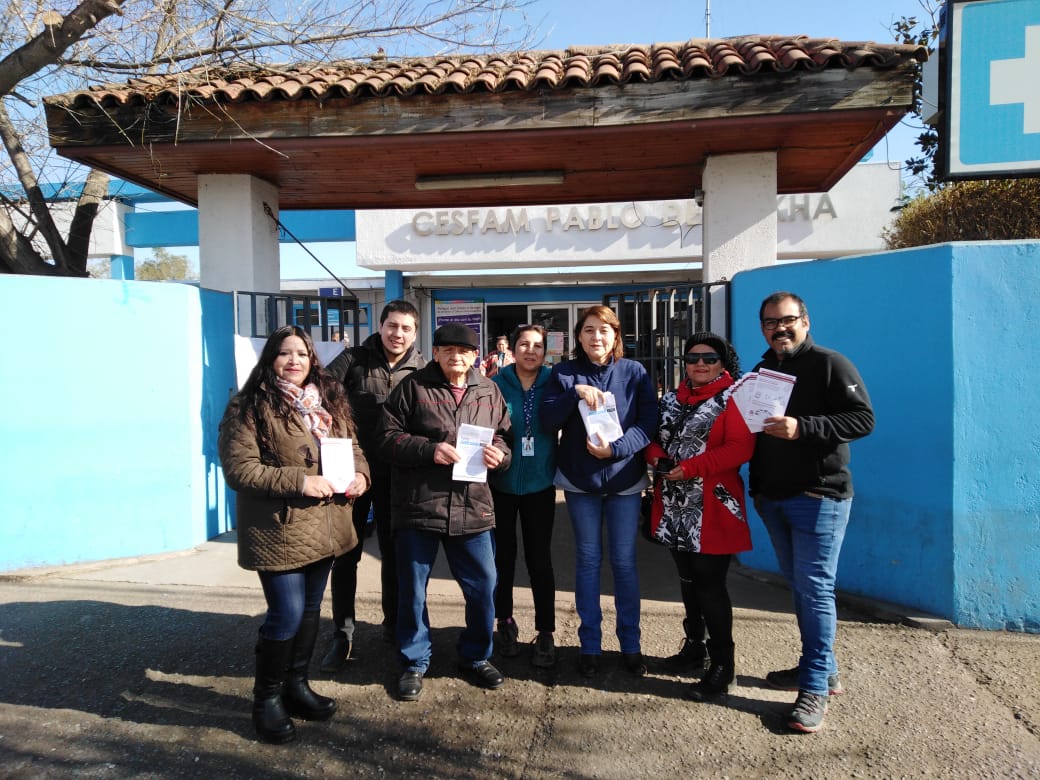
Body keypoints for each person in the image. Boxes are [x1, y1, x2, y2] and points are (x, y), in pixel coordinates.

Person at [218, 325, 370, 744]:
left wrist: (361, 474)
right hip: (280, 529)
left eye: (302, 354)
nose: (295, 361)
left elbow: (353, 447)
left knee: (309, 611)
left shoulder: (328, 401)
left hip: (326, 527)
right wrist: (300, 481)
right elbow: (240, 469)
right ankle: (265, 698)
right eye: (285, 354)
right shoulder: (248, 407)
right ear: (270, 359)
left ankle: (296, 685)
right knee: (285, 614)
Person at [750, 291, 874, 734]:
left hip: (819, 497)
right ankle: (823, 670)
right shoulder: (763, 369)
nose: (779, 329)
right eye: (770, 323)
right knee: (801, 589)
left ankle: (814, 688)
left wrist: (804, 428)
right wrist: (757, 488)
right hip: (774, 499)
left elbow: (862, 419)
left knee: (815, 589)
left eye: (787, 320)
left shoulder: (829, 363)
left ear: (804, 320)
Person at [376, 323, 512, 701]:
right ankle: (414, 661)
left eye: (465, 351)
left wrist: (501, 456)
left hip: (473, 506)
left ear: (475, 356)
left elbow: (503, 435)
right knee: (413, 591)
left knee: (484, 586)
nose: (457, 357)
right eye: (448, 350)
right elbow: (386, 439)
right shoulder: (412, 388)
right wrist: (428, 450)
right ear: (435, 352)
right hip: (420, 505)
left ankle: (475, 655)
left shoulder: (489, 389)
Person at [541, 305, 657, 678]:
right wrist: (573, 394)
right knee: (588, 562)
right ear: (579, 337)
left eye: (604, 330)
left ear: (615, 335)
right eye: (589, 330)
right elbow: (547, 420)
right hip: (580, 482)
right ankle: (590, 644)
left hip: (625, 481)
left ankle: (631, 644)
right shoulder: (563, 373)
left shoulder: (634, 372)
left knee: (624, 563)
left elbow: (648, 424)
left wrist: (617, 449)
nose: (597, 337)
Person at [644, 333, 755, 699]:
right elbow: (653, 437)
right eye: (693, 358)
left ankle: (723, 665)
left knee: (710, 584)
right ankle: (695, 647)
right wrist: (657, 458)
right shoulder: (675, 398)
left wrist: (691, 468)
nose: (700, 364)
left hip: (711, 506)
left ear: (723, 363)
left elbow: (740, 448)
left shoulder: (733, 398)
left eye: (709, 358)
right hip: (675, 505)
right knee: (687, 579)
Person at [319, 300, 424, 672]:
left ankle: (394, 626)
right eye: (392, 326)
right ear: (381, 326)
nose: (398, 334)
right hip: (352, 471)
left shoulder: (422, 368)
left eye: (406, 328)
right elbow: (319, 393)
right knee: (347, 553)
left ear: (415, 332)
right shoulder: (353, 360)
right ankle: (342, 633)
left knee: (395, 554)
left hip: (399, 474)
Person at [490, 324, 559, 667]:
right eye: (523, 344)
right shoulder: (495, 384)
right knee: (502, 560)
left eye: (537, 345)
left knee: (539, 562)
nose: (530, 351)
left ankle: (545, 630)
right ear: (512, 348)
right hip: (500, 486)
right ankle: (504, 622)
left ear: (545, 351)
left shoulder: (555, 382)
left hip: (540, 486)